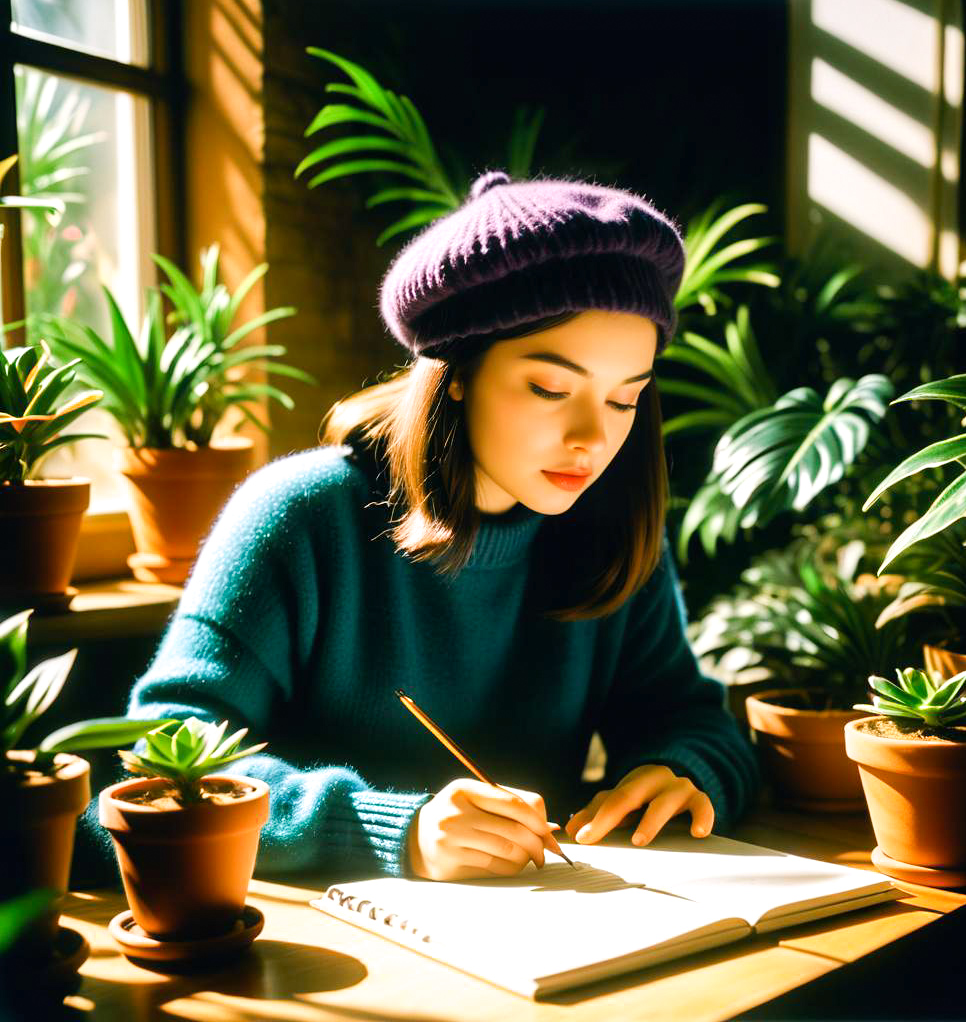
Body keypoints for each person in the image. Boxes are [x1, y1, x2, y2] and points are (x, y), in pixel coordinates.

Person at [78, 169, 760, 884]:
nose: (592, 437)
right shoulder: (298, 516)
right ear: (457, 370)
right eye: (551, 388)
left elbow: (691, 718)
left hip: (544, 939)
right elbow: (167, 749)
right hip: (322, 947)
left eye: (625, 399)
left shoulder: (611, 532)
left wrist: (681, 771)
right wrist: (389, 830)